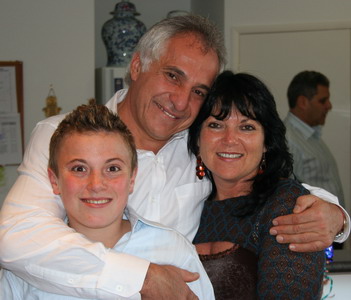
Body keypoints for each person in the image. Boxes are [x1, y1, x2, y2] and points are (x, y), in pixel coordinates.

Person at [0, 15, 349, 299]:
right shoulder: (64, 137)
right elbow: (17, 237)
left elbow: (256, 178)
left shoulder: (197, 144)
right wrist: (144, 278)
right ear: (136, 66)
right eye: (172, 76)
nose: (181, 102)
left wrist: (333, 214)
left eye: (198, 91)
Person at [0, 104, 214, 299]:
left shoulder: (173, 251)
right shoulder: (26, 266)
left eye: (112, 169)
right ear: (54, 181)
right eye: (79, 168)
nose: (96, 184)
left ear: (132, 179)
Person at [188, 71, 325, 299]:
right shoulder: (186, 204)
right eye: (215, 125)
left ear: (266, 143)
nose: (230, 139)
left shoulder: (286, 204)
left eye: (247, 127)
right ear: (197, 140)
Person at [284, 70, 345, 208]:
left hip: (331, 225)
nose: (329, 106)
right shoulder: (288, 139)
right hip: (314, 227)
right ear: (303, 102)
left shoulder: (311, 136)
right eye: (323, 100)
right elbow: (285, 196)